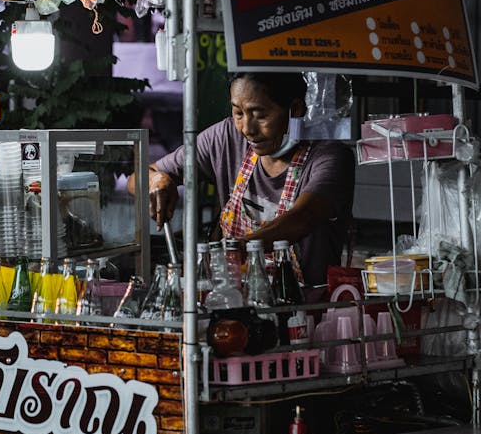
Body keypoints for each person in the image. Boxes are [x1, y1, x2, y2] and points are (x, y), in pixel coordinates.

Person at [132, 70, 354, 292]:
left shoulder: (329, 157)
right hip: (233, 301)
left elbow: (303, 217)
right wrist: (157, 179)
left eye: (259, 115)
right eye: (238, 113)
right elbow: (139, 177)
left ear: (294, 110)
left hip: (306, 312)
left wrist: (238, 248)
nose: (247, 129)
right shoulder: (227, 137)